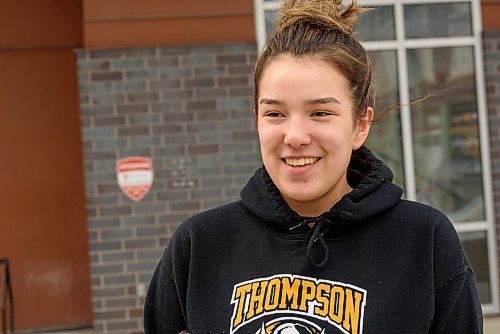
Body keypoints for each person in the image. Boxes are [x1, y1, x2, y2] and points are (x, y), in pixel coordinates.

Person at [144, 0, 483, 333]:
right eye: (275, 113)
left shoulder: (425, 241)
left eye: (320, 112)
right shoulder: (198, 246)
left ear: (360, 125)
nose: (294, 136)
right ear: (256, 121)